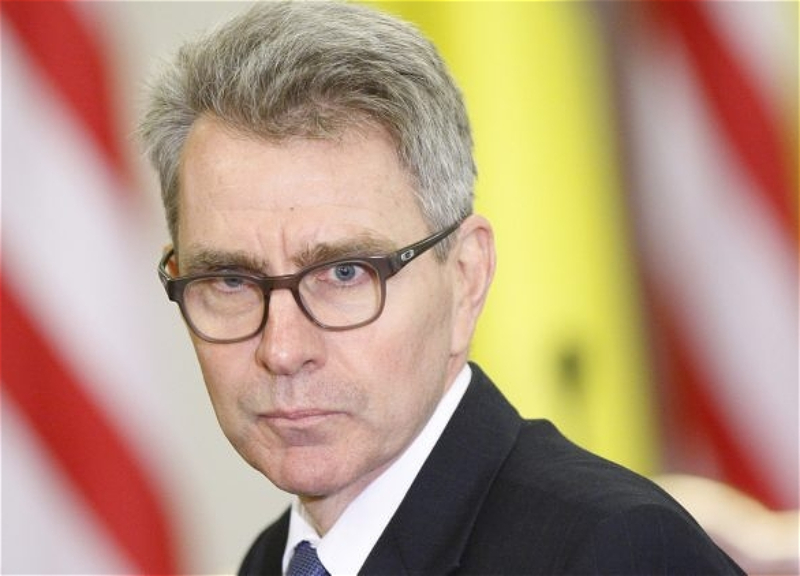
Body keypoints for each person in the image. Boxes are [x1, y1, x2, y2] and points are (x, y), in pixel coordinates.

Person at [139, 2, 745, 574]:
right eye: (231, 279)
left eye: (345, 273)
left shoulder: (612, 551)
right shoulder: (274, 559)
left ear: (465, 277)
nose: (282, 349)